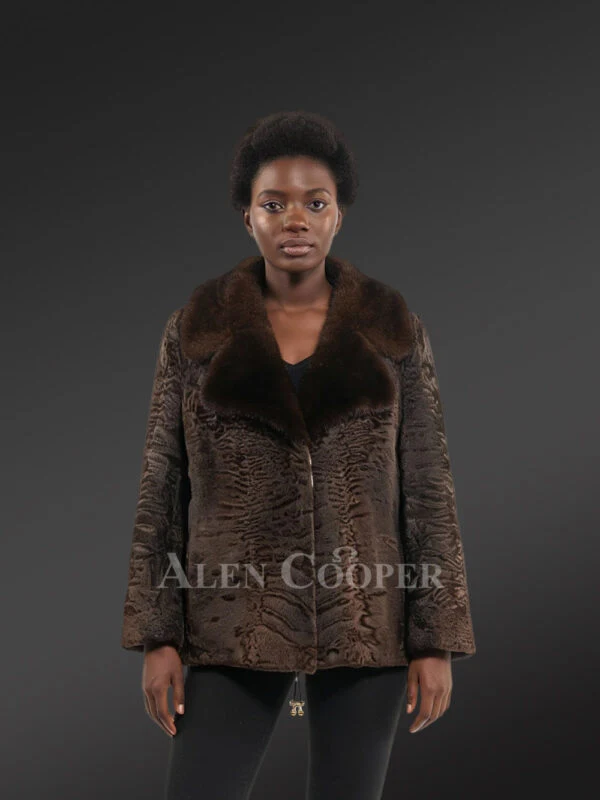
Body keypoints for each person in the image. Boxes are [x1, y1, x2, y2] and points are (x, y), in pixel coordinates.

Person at [121, 110, 476, 800]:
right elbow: (161, 487)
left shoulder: (393, 329)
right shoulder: (195, 330)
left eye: (315, 203)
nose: (295, 219)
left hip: (364, 616)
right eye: (273, 203)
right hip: (231, 617)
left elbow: (429, 486)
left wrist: (436, 640)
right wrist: (157, 637)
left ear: (338, 214)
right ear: (247, 217)